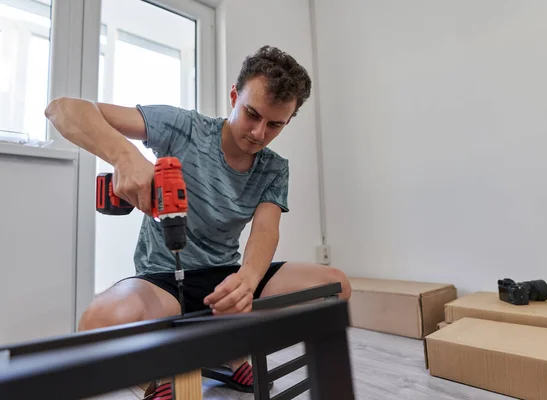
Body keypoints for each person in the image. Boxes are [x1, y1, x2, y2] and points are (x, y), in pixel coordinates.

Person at [45, 45, 351, 398]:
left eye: (274, 124)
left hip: (227, 275)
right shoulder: (184, 127)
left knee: (335, 286)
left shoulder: (274, 168)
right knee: (98, 322)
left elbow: (265, 232)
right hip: (162, 278)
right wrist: (125, 156)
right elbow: (62, 109)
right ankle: (167, 369)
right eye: (252, 114)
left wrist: (247, 281)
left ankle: (228, 353)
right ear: (235, 96)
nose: (258, 132)